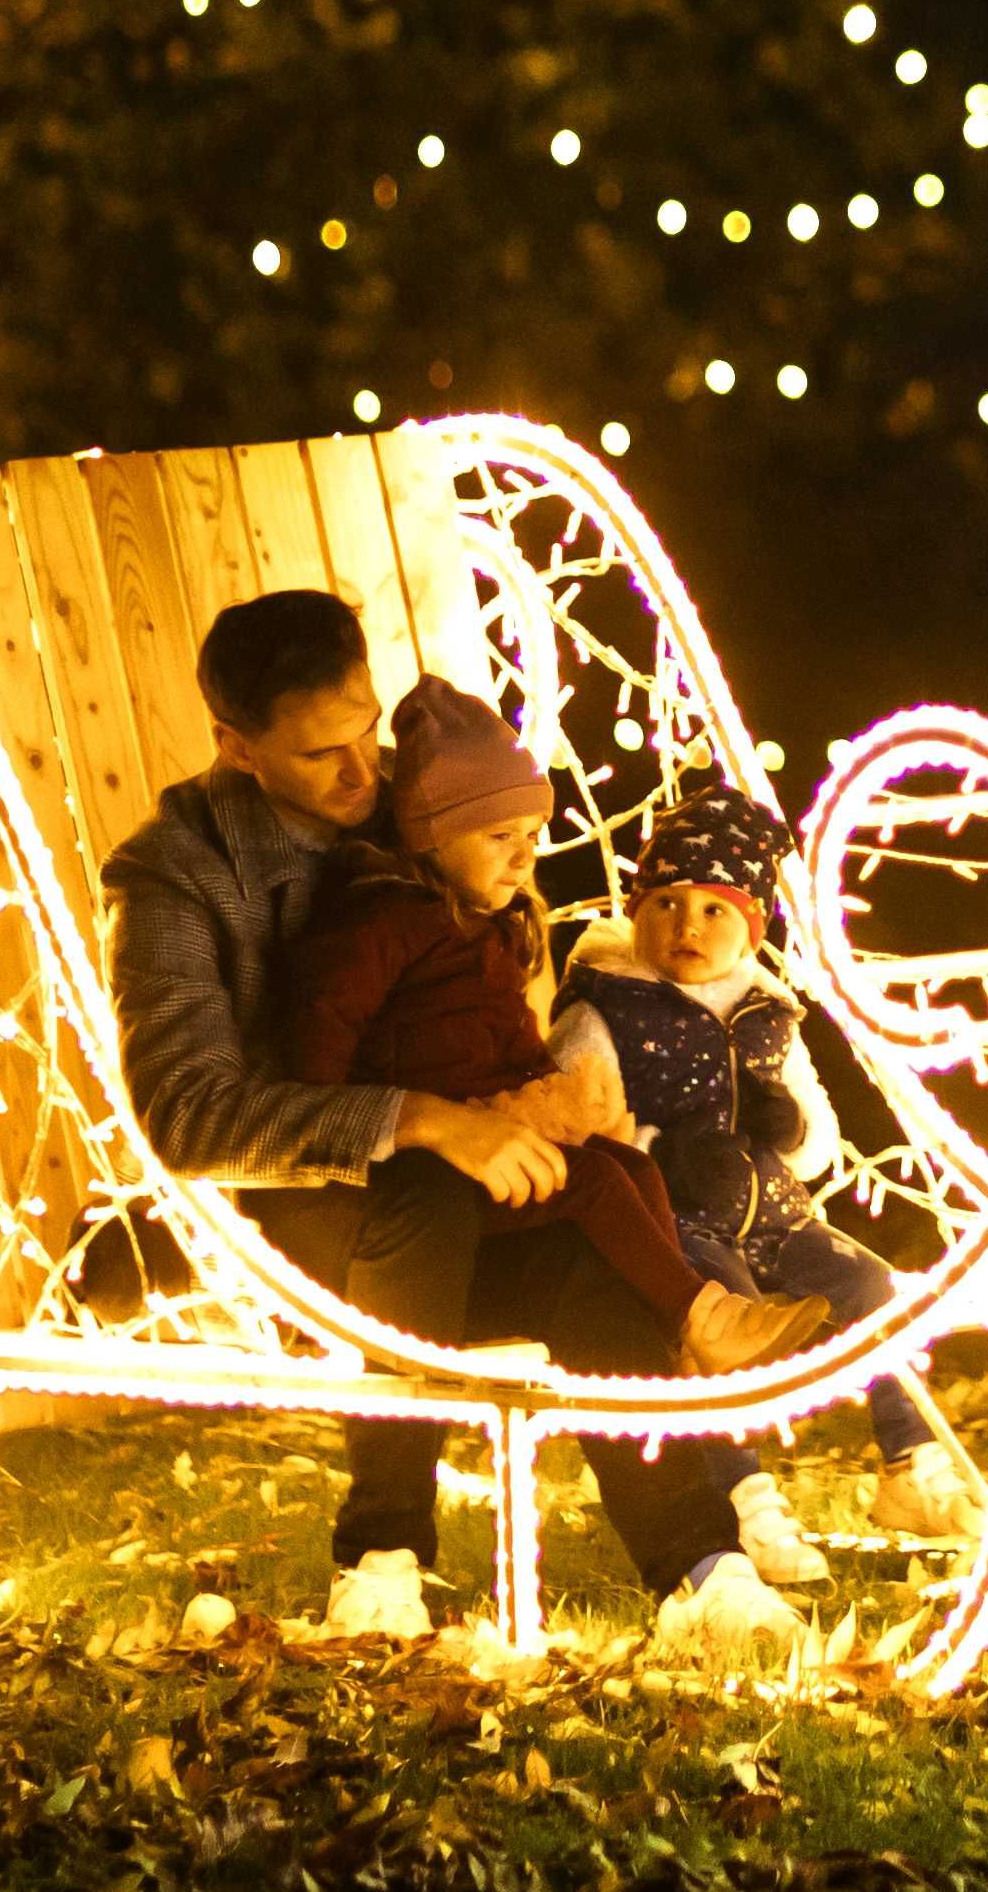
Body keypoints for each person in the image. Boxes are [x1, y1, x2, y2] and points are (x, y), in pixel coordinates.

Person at [102, 589, 776, 1650]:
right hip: (323, 1216)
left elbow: (492, 971)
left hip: (481, 1189)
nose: (363, 774)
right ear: (237, 747)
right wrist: (422, 1120)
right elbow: (184, 1116)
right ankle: (382, 1561)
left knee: (590, 1247)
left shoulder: (414, 817)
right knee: (425, 1183)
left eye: (366, 729)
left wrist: (549, 1081)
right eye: (324, 753)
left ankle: (704, 1568)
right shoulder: (175, 879)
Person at [278, 682, 818, 1383]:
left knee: (629, 1165)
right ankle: (702, 1313)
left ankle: (678, 1332)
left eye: (531, 837)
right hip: (427, 1166)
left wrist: (548, 1096)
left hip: (496, 1134)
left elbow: (510, 1046)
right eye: (499, 836)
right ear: (432, 834)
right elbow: (323, 1025)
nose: (523, 857)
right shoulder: (384, 924)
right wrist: (344, 1117)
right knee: (592, 1180)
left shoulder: (491, 934)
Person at [548, 782, 988, 1581]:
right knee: (724, 1326)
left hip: (778, 1216)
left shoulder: (766, 1013)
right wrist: (659, 1147)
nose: (688, 926)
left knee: (874, 1288)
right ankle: (744, 1498)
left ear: (750, 924)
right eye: (668, 904)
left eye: (715, 910)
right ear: (637, 908)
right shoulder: (603, 1007)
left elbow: (820, 1140)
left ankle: (910, 1466)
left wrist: (785, 1125)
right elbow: (586, 1123)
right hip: (674, 1221)